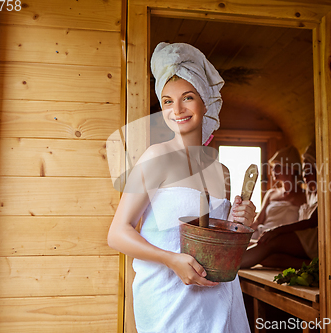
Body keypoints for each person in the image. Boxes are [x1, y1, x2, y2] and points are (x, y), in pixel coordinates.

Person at [107, 42, 256, 333]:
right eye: (167, 101)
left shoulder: (222, 171)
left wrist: (243, 222)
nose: (177, 109)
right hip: (168, 302)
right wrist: (171, 260)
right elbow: (117, 233)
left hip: (219, 299)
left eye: (187, 97)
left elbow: (222, 245)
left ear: (205, 102)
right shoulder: (156, 158)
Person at [241, 143, 318, 269]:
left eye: (277, 167)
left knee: (266, 249)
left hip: (283, 238)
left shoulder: (305, 195)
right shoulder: (272, 193)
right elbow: (258, 220)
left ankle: (230, 266)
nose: (272, 171)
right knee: (248, 246)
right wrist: (242, 232)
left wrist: (276, 231)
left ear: (290, 169)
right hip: (266, 234)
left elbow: (308, 222)